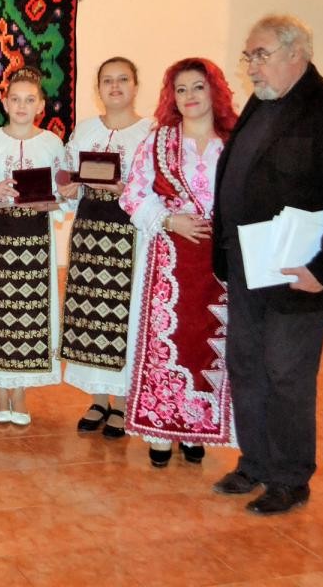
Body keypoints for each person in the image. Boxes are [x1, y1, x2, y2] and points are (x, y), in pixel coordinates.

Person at [212, 15, 323, 514]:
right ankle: (256, 463)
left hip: (297, 273)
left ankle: (290, 478)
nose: (251, 66)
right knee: (246, 366)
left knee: (287, 374)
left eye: (260, 55)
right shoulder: (263, 101)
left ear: (296, 54)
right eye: (248, 56)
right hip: (247, 264)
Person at [120, 58, 237, 468]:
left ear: (214, 90)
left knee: (210, 342)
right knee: (167, 342)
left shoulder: (234, 140)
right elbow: (133, 194)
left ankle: (196, 427)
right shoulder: (159, 141)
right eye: (181, 89)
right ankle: (160, 429)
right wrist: (170, 220)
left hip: (222, 261)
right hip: (169, 261)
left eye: (198, 87)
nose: (189, 96)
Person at [58, 58, 152, 438]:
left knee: (124, 315)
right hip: (88, 235)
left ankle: (125, 402)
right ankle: (98, 398)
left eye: (123, 79)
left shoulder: (150, 133)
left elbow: (157, 191)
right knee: (89, 313)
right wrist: (67, 186)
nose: (115, 86)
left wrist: (122, 189)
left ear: (135, 85)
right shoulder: (85, 130)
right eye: (107, 81)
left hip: (130, 236)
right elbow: (67, 174)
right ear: (98, 89)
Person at [0, 68, 65, 425]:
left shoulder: (53, 145)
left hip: (37, 242)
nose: (22, 106)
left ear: (40, 105)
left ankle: (21, 391)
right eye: (15, 99)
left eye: (30, 100)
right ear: (4, 103)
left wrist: (48, 201)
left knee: (30, 315)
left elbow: (64, 195)